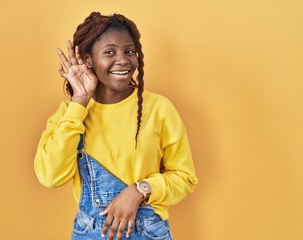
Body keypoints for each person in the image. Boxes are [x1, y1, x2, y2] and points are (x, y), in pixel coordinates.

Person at [34, 11, 198, 240]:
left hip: (148, 233)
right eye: (109, 52)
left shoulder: (160, 109)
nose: (123, 60)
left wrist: (140, 190)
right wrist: (79, 103)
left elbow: (185, 177)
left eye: (129, 51)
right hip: (88, 233)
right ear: (88, 59)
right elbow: (50, 176)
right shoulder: (70, 114)